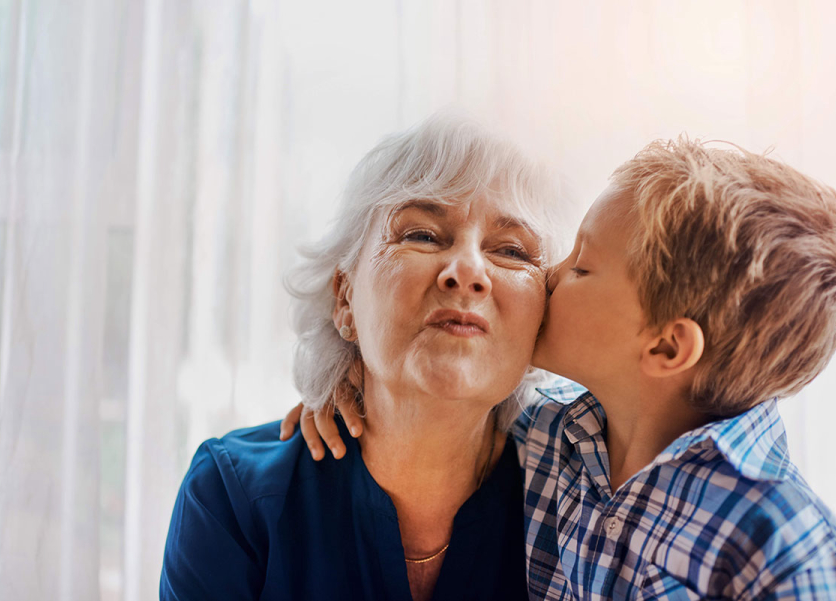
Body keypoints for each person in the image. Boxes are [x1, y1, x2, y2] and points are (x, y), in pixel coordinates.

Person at [290, 138, 836, 599]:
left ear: (667, 349)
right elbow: (443, 401)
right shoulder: (554, 436)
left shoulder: (785, 546)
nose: (548, 275)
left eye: (581, 266)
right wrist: (353, 381)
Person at [159, 112, 570, 601]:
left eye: (511, 251)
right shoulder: (233, 497)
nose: (467, 270)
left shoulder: (576, 505)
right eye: (422, 235)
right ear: (345, 299)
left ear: (542, 321)